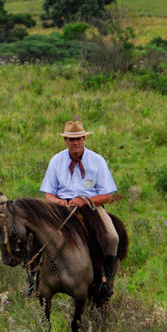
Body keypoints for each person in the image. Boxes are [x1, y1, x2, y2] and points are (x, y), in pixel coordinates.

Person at [40, 119, 119, 286]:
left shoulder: (98, 161)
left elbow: (106, 196)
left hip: (91, 206)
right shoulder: (56, 161)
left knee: (112, 237)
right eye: (71, 139)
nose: (75, 142)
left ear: (84, 139)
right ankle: (35, 278)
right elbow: (48, 193)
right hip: (61, 207)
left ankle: (106, 278)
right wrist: (59, 202)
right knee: (36, 233)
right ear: (65, 141)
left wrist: (84, 200)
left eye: (79, 138)